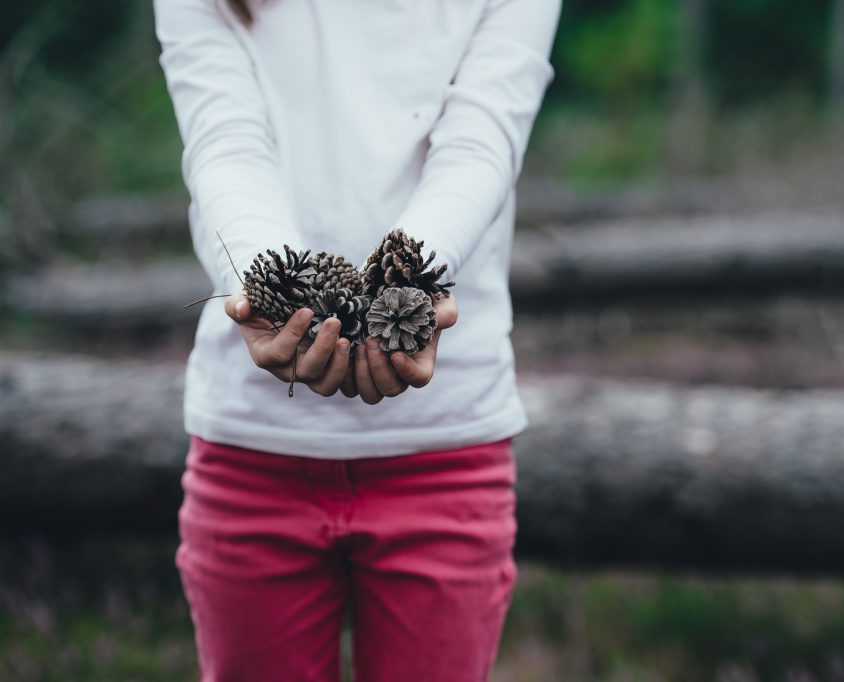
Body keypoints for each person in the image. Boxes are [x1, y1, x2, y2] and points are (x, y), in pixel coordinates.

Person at [153, 0, 560, 679]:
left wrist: (410, 279)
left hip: (446, 450)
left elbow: (482, 140)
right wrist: (268, 289)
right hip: (251, 455)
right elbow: (225, 140)